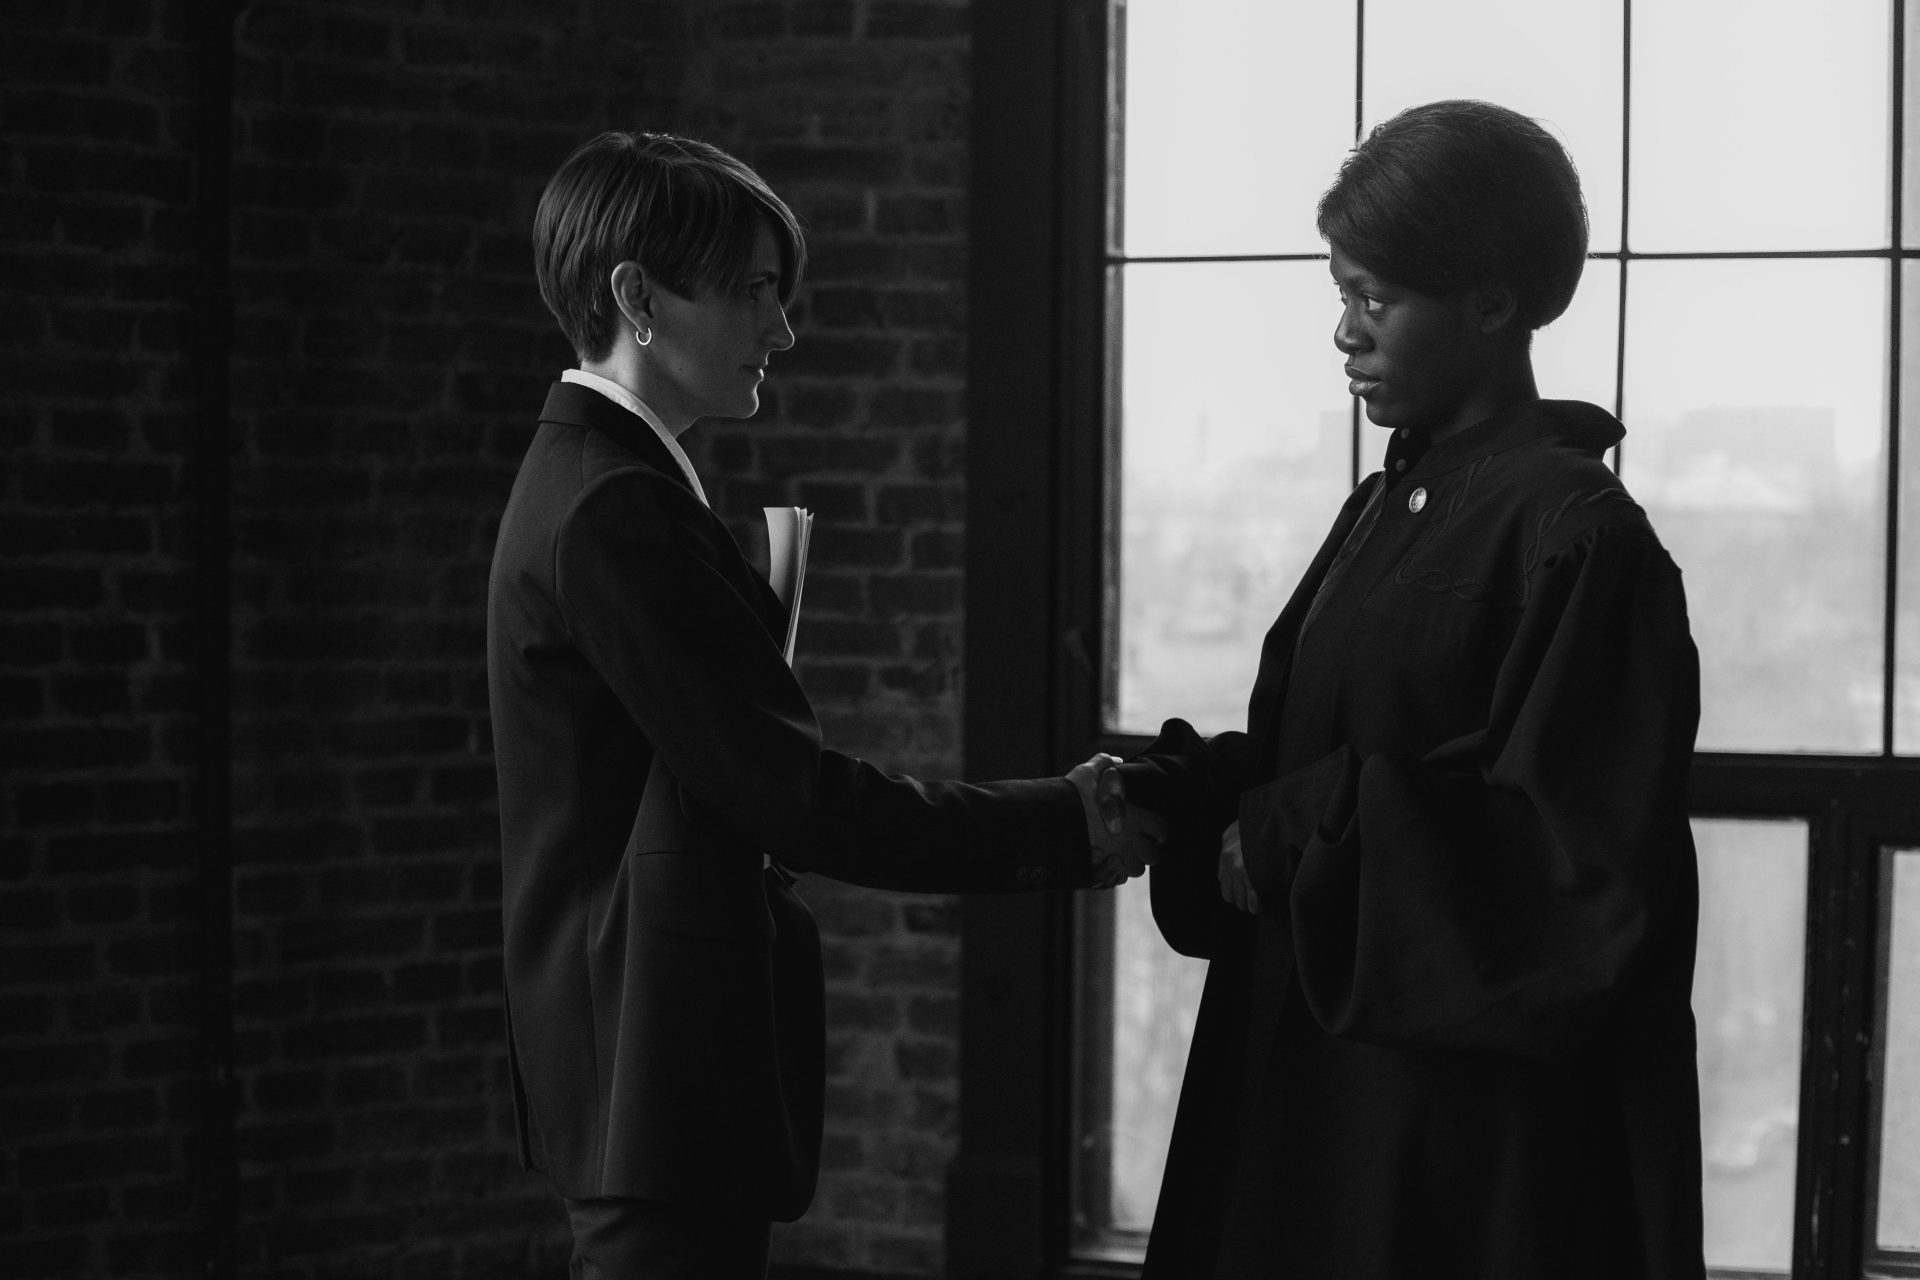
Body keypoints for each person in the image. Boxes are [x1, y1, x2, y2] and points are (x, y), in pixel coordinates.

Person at [486, 131, 1158, 1279]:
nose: (782, 329)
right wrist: (1067, 818)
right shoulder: (614, 510)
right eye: (754, 290)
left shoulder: (613, 481)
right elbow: (794, 798)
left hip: (645, 1053)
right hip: (645, 1054)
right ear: (636, 296)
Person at [1116, 100, 1704, 1279]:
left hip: (1453, 1142)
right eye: (1342, 294)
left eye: (1376, 300)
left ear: (1493, 302)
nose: (1346, 332)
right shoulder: (1392, 499)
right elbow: (1327, 744)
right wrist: (1194, 792)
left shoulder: (1580, 535)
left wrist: (1286, 831)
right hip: (1318, 1090)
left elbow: (1563, 865)